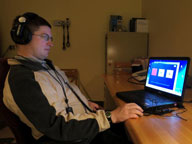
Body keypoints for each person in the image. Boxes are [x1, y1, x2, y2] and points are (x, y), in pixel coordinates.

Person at [3, 12, 143, 144]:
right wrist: (110, 117)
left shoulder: (44, 66)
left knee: (136, 123)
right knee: (137, 134)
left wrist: (84, 102)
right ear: (24, 37)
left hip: (82, 122)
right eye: (45, 37)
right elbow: (57, 128)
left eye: (51, 39)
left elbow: (59, 96)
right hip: (71, 137)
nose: (51, 43)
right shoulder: (23, 80)